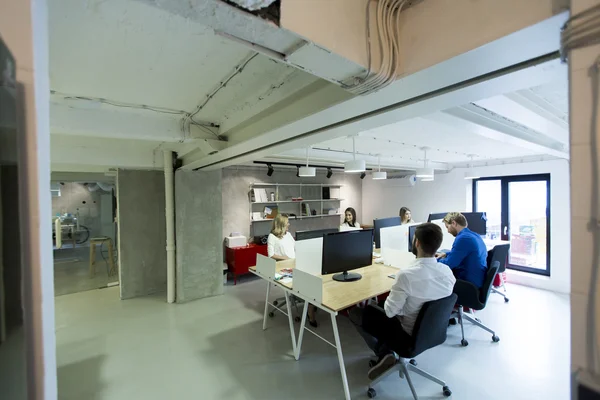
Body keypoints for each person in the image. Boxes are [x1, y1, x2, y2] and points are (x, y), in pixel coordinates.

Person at [349, 223, 456, 380]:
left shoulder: (406, 276)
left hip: (407, 336)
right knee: (384, 305)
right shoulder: (447, 273)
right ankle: (387, 351)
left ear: (417, 243)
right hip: (432, 331)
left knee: (357, 312)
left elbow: (390, 311)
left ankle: (384, 353)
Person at [267, 214, 318, 327]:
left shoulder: (288, 234)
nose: (289, 224)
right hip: (283, 267)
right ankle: (310, 311)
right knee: (306, 281)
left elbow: (296, 247)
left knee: (314, 276)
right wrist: (288, 258)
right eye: (287, 222)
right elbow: (271, 255)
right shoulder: (272, 236)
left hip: (295, 263)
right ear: (281, 224)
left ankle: (310, 304)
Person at [436, 212, 488, 288]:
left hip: (469, 284)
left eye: (447, 227)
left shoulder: (463, 239)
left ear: (453, 223)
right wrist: (446, 254)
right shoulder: (474, 235)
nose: (448, 231)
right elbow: (462, 252)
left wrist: (432, 260)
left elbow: (448, 264)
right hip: (478, 278)